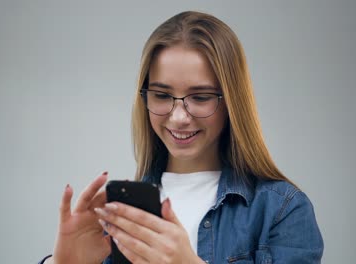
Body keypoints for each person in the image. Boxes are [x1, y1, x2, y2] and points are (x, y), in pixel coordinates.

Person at [39, 11, 324, 264]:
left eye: (200, 97)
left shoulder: (282, 209)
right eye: (162, 95)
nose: (178, 117)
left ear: (232, 102)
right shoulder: (117, 218)